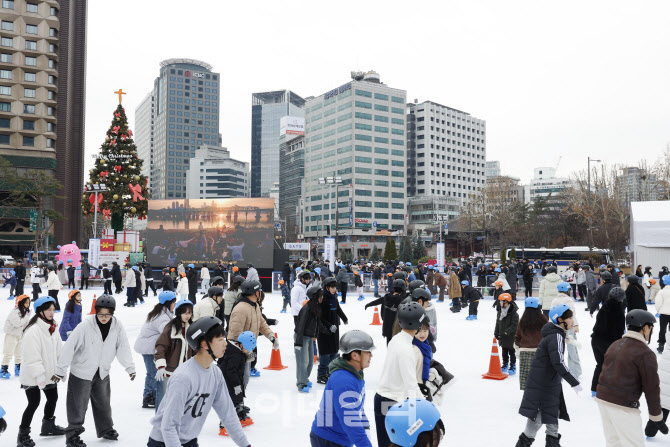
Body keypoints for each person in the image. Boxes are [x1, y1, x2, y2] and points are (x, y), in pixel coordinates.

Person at [147, 316, 252, 447]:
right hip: (164, 442)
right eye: (220, 340)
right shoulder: (183, 378)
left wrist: (245, 445)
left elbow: (228, 414)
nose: (225, 343)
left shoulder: (216, 374)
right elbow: (169, 427)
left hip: (189, 441)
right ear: (204, 344)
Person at [53, 295, 136, 446]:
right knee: (77, 406)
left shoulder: (117, 326)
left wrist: (129, 367)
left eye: (107, 314)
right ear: (96, 312)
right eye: (101, 314)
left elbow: (123, 347)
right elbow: (69, 347)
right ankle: (72, 435)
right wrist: (60, 370)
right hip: (81, 372)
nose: (104, 318)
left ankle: (106, 429)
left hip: (102, 371)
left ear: (113, 313)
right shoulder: (85, 326)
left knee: (103, 403)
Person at [596, 310, 666, 445]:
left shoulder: (615, 344)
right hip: (623, 405)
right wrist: (656, 416)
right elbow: (651, 388)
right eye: (651, 328)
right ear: (645, 327)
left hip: (603, 400)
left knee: (614, 442)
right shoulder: (645, 353)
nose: (651, 332)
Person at [515, 304, 581, 447]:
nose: (572, 320)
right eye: (569, 317)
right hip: (543, 385)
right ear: (560, 320)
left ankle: (552, 443)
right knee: (536, 420)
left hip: (548, 383)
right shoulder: (556, 336)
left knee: (553, 414)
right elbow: (558, 362)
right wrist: (574, 381)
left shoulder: (556, 335)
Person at [310, 330, 375, 447]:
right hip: (329, 439)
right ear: (354, 355)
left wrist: (365, 427)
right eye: (368, 352)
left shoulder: (356, 373)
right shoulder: (343, 381)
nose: (371, 355)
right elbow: (350, 420)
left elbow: (357, 406)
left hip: (339, 437)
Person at [374, 302, 426, 447]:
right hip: (392, 402)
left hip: (384, 398)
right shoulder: (406, 350)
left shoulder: (396, 339)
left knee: (386, 442)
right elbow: (411, 385)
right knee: (395, 443)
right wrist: (426, 406)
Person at [18, 296, 65, 447]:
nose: (52, 312)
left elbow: (59, 350)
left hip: (49, 373)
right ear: (40, 311)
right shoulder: (33, 331)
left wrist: (61, 369)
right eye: (48, 309)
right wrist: (39, 376)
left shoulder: (53, 327)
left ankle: (48, 427)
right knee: (34, 402)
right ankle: (23, 435)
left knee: (53, 398)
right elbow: (32, 357)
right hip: (33, 374)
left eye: (53, 309)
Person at [227, 280, 279, 383]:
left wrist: (271, 336)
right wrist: (245, 351)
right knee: (238, 380)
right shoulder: (241, 308)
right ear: (255, 292)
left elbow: (261, 323)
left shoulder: (254, 306)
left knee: (245, 379)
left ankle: (240, 398)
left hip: (247, 349)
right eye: (259, 290)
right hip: (238, 353)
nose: (260, 292)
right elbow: (235, 334)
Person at [134, 291, 176, 409]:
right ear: (169, 303)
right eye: (174, 302)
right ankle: (148, 397)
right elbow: (168, 333)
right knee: (152, 373)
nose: (175, 305)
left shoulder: (161, 313)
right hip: (149, 348)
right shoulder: (162, 317)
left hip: (149, 347)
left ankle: (151, 394)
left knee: (152, 372)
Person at [154, 299, 194, 412]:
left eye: (190, 313)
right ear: (179, 313)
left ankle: (178, 421)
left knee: (182, 398)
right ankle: (160, 422)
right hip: (170, 371)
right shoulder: (170, 328)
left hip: (186, 371)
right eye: (185, 313)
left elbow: (196, 349)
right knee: (164, 398)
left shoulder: (192, 327)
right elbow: (161, 346)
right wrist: (161, 366)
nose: (188, 316)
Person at [217, 331, 256, 435]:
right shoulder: (235, 355)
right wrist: (236, 385)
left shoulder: (236, 350)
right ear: (241, 345)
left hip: (234, 380)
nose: (247, 352)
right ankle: (224, 425)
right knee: (231, 403)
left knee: (238, 399)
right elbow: (231, 371)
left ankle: (240, 416)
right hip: (229, 382)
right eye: (247, 349)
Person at [590, 287, 626, 395]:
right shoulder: (619, 310)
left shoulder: (603, 307)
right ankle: (611, 389)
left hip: (596, 340)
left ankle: (594, 389)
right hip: (609, 342)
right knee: (613, 366)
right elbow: (619, 329)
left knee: (600, 364)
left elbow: (598, 325)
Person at [316, 277, 348, 384]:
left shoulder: (334, 297)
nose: (334, 289)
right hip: (325, 330)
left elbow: (338, 309)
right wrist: (329, 326)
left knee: (334, 352)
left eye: (335, 287)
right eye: (332, 287)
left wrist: (344, 318)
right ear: (326, 287)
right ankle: (321, 375)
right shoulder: (322, 299)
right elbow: (320, 317)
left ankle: (330, 373)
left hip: (335, 329)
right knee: (325, 354)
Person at [294, 285, 325, 392]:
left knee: (311, 361)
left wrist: (327, 330)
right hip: (301, 337)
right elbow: (300, 325)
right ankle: (301, 384)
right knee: (303, 362)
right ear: (316, 296)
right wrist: (298, 342)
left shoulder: (315, 307)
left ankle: (305, 379)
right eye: (321, 295)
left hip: (310, 338)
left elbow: (317, 323)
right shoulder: (306, 308)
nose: (322, 297)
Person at [515, 297, 549, 390]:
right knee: (540, 376)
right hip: (540, 351)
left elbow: (517, 337)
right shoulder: (543, 319)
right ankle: (540, 397)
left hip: (524, 351)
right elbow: (547, 335)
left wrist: (518, 347)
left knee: (526, 377)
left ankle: (528, 398)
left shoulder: (523, 320)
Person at [551, 282, 582, 378]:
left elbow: (552, 314)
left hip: (557, 326)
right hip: (568, 326)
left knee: (557, 349)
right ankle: (575, 371)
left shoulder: (554, 300)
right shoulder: (569, 300)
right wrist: (576, 325)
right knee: (572, 348)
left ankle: (556, 371)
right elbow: (572, 314)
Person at [365, 279, 407, 346]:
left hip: (387, 328)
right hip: (396, 329)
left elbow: (379, 300)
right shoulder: (401, 300)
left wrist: (369, 304)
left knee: (389, 346)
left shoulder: (387, 297)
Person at [2, 294, 31, 379]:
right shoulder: (14, 312)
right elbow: (17, 323)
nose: (27, 305)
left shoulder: (25, 312)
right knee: (8, 353)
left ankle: (18, 368)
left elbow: (24, 325)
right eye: (26, 303)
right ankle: (3, 369)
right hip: (11, 335)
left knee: (19, 353)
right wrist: (26, 317)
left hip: (20, 336)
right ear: (20, 303)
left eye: (28, 303)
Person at [494, 293, 519, 375]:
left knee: (512, 352)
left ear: (506, 302)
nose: (499, 303)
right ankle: (505, 364)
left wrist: (506, 332)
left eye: (501, 301)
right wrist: (496, 332)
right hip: (502, 335)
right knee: (504, 351)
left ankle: (513, 365)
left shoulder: (514, 313)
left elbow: (514, 325)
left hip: (511, 336)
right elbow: (498, 323)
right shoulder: (500, 311)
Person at [657, 275, 670, 354]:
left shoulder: (661, 292)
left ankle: (661, 345)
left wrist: (659, 310)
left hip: (664, 314)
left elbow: (658, 304)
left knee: (662, 329)